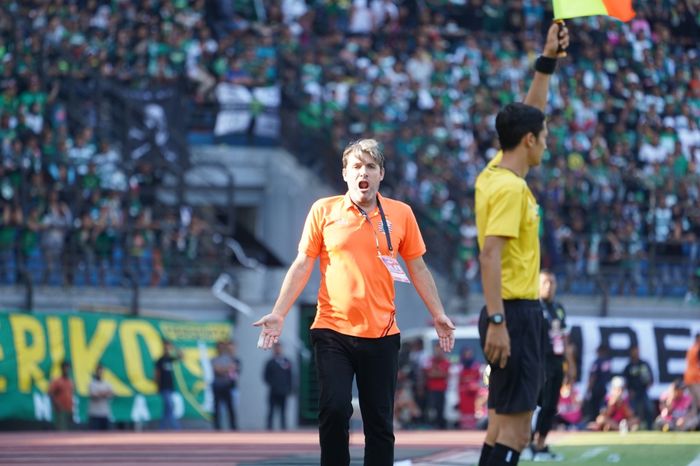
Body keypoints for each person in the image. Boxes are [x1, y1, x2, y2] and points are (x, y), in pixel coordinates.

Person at [254, 138, 456, 466]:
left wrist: (438, 313)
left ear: (381, 174)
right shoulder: (324, 210)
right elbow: (303, 264)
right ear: (345, 173)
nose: (364, 172)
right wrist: (279, 312)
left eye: (371, 166)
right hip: (332, 330)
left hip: (382, 334)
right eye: (357, 166)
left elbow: (417, 267)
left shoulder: (401, 214)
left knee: (379, 423)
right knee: (334, 409)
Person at [475, 22, 569, 466]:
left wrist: (546, 62)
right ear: (528, 141)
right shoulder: (511, 189)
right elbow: (489, 253)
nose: (547, 144)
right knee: (514, 431)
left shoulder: (497, 171)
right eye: (544, 138)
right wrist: (498, 320)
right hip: (513, 312)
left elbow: (531, 114)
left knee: (498, 426)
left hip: (505, 310)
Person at [522, 270, 572, 461]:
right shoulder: (533, 306)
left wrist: (570, 364)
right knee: (533, 403)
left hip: (556, 362)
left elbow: (564, 338)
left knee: (551, 405)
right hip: (538, 361)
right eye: (545, 283)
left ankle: (540, 444)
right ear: (537, 285)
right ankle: (526, 443)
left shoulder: (558, 308)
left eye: (552, 283)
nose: (548, 286)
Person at [263, 342, 293, 430]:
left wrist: (290, 388)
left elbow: (290, 376)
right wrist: (273, 384)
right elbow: (265, 376)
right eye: (276, 348)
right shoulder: (270, 362)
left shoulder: (287, 361)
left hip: (283, 391)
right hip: (273, 390)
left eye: (279, 348)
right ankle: (269, 428)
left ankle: (283, 428)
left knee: (283, 411)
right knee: (271, 410)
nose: (278, 350)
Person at [622, 344, 654, 429]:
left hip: (643, 391)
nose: (636, 352)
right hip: (633, 393)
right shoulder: (628, 366)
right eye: (634, 351)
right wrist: (629, 390)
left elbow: (650, 377)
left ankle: (650, 427)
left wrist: (649, 384)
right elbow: (625, 380)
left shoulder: (643, 364)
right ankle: (635, 426)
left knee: (649, 408)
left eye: (637, 350)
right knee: (634, 411)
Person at [155, 339, 183, 430]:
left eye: (168, 346)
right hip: (163, 387)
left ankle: (162, 427)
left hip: (170, 386)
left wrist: (174, 348)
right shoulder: (160, 360)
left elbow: (181, 357)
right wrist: (157, 386)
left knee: (167, 408)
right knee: (170, 406)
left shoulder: (170, 359)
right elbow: (157, 374)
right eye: (166, 346)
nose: (167, 348)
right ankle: (175, 427)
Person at [210, 340, 237, 430]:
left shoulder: (229, 358)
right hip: (217, 386)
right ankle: (217, 427)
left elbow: (232, 369)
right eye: (219, 347)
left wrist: (223, 369)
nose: (221, 349)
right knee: (217, 408)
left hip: (227, 386)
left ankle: (233, 427)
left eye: (222, 347)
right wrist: (226, 369)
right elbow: (217, 370)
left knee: (230, 408)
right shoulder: (214, 359)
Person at [583, 344, 612, 423]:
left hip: (596, 388)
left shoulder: (597, 362)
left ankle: (595, 423)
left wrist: (588, 389)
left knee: (594, 407)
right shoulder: (608, 361)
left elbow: (593, 377)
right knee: (602, 406)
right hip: (604, 388)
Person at [48, 361, 73, 431]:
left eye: (69, 368)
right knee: (61, 430)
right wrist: (56, 404)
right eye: (66, 368)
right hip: (60, 410)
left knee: (68, 430)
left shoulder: (70, 381)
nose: (67, 370)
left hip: (69, 409)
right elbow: (50, 393)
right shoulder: (57, 381)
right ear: (62, 369)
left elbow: (70, 395)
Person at [88, 364, 113, 430]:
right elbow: (94, 395)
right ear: (96, 372)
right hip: (94, 414)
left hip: (105, 413)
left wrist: (100, 393)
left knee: (105, 437)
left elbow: (113, 393)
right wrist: (105, 393)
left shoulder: (107, 383)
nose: (100, 373)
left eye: (102, 372)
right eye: (99, 372)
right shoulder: (92, 383)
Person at [684, 332, 700, 425]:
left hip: (689, 377)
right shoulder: (697, 348)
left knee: (693, 403)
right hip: (695, 378)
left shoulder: (691, 348)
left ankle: (689, 423)